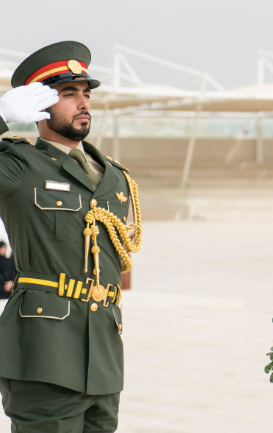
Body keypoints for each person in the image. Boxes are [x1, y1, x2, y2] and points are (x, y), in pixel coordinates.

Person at [0, 41, 142, 432]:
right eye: (68, 94)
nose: (83, 103)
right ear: (40, 104)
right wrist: (1, 117)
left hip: (103, 355)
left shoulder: (113, 175)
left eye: (86, 94)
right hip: (44, 353)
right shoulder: (18, 165)